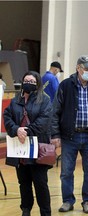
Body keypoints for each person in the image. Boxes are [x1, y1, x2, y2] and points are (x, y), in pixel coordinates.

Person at [50, 55, 88, 214]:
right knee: (66, 172)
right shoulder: (66, 86)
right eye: (87, 68)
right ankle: (67, 201)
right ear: (78, 68)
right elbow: (55, 112)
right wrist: (55, 134)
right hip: (69, 136)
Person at [4, 71, 52, 216]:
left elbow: (44, 120)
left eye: (32, 82)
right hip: (19, 148)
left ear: (37, 84)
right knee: (23, 182)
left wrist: (26, 131)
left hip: (37, 147)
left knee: (40, 183)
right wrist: (16, 129)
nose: (28, 84)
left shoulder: (44, 100)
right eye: (26, 81)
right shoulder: (15, 100)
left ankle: (45, 212)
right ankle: (26, 209)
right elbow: (7, 116)